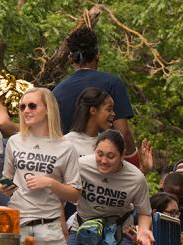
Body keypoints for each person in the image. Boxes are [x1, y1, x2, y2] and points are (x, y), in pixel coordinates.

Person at [69, 129, 153, 245]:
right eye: (99, 154)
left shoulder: (135, 178)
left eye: (110, 156)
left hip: (118, 236)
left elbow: (144, 211)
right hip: (83, 231)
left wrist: (143, 230)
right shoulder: (81, 166)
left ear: (122, 156)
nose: (103, 161)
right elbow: (62, 192)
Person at [0, 87, 81, 245]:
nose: (26, 111)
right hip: (16, 224)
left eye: (32, 106)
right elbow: (6, 179)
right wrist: (5, 188)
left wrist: (50, 183)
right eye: (22, 107)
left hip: (49, 229)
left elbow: (75, 194)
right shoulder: (14, 141)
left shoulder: (66, 147)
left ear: (48, 110)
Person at [53, 26, 136, 157]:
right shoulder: (112, 83)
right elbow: (122, 133)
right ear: (97, 55)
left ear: (71, 58)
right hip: (104, 164)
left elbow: (55, 136)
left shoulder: (57, 91)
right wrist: (134, 160)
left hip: (69, 162)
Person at [63, 87, 115, 158]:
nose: (113, 114)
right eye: (109, 109)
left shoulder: (107, 143)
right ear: (93, 110)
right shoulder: (67, 142)